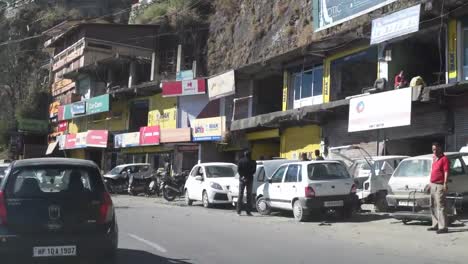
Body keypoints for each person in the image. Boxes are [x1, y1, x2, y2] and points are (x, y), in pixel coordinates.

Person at [427, 142, 450, 234]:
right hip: (432, 184)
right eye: (433, 149)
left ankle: (443, 227)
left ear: (440, 148)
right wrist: (429, 183)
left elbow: (446, 172)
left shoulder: (444, 159)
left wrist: (445, 183)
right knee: (432, 205)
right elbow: (432, 171)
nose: (434, 151)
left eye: (436, 149)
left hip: (440, 185)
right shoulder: (434, 158)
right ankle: (435, 224)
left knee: (440, 206)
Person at [237, 150, 256, 216]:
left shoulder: (240, 161)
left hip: (242, 179)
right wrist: (248, 177)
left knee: (240, 194)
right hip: (249, 179)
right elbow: (254, 171)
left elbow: (239, 170)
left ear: (244, 154)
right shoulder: (253, 162)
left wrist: (242, 176)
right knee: (249, 195)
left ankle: (238, 211)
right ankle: (248, 211)